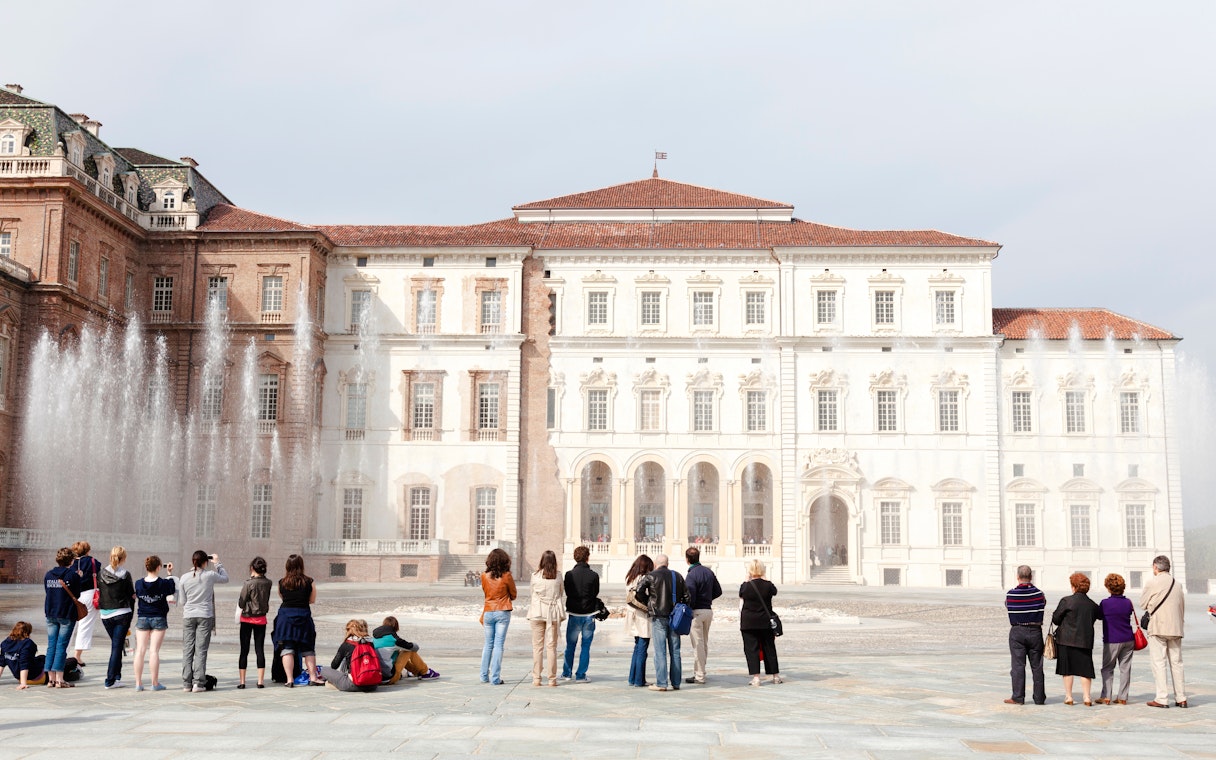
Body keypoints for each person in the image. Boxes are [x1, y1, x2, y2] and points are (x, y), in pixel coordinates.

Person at [635, 553, 688, 692]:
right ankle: (676, 682)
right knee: (675, 651)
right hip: (674, 618)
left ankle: (662, 683)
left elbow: (638, 591)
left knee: (660, 651)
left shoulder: (651, 576)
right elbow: (687, 596)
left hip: (658, 616)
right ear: (668, 563)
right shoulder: (677, 576)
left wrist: (648, 602)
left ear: (656, 563)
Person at [178, 550, 229, 692]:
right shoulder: (210, 575)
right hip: (205, 616)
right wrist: (218, 563)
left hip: (188, 616)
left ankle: (186, 684)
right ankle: (198, 683)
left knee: (188, 649)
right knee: (201, 650)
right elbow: (225, 578)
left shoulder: (184, 578)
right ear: (205, 561)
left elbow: (182, 601)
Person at [1140, 554, 1186, 708]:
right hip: (1176, 627)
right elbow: (1181, 606)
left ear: (1155, 567)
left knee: (1159, 663)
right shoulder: (1177, 584)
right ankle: (1181, 698)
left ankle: (1162, 698)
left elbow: (1142, 604)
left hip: (1158, 627)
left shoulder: (1152, 582)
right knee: (1177, 663)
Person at [272, 554, 324, 687]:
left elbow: (283, 598)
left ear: (287, 566)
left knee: (287, 649)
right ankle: (313, 677)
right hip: (304, 616)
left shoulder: (281, 582)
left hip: (285, 618)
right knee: (308, 649)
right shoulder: (309, 582)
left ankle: (289, 680)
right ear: (301, 565)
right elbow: (312, 600)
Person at [1051, 572, 1102, 706]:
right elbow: (1100, 615)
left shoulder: (1066, 601)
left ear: (1073, 586)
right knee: (1085, 670)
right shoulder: (1092, 604)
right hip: (1085, 641)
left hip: (1066, 640)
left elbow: (1056, 619)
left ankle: (1068, 696)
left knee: (1067, 670)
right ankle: (1087, 697)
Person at [1004, 564, 1047, 705]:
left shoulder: (1011, 594)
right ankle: (1039, 698)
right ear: (1031, 577)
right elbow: (1044, 603)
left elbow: (1007, 605)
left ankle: (1018, 697)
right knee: (1037, 667)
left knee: (1017, 666)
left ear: (1017, 577)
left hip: (1017, 631)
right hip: (1035, 632)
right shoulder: (1039, 594)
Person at [132, 555, 176, 691]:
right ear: (158, 567)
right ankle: (154, 683)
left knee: (139, 651)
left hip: (143, 618)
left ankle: (138, 683)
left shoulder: (138, 583)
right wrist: (169, 573)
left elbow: (138, 594)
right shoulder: (163, 583)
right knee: (154, 651)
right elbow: (172, 589)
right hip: (159, 618)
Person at [97, 545, 136, 689]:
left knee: (117, 646)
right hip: (122, 614)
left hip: (105, 615)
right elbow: (131, 596)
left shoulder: (101, 573)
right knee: (116, 647)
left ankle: (117, 678)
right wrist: (131, 615)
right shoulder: (125, 575)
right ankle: (110, 680)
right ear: (123, 558)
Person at [739, 558, 781, 687]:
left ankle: (756, 677)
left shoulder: (745, 586)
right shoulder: (768, 585)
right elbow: (774, 591)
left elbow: (741, 594)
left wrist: (747, 579)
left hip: (749, 622)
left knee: (752, 649)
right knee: (769, 648)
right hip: (764, 621)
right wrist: (765, 578)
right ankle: (775, 676)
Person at [684, 546, 722, 685]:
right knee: (704, 643)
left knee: (698, 644)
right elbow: (718, 591)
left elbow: (690, 595)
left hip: (697, 612)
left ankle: (700, 675)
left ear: (687, 559)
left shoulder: (691, 574)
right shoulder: (709, 572)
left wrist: (691, 607)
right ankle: (700, 672)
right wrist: (708, 599)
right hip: (708, 611)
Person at [561, 545, 599, 683]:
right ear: (587, 557)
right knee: (585, 646)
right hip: (589, 613)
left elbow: (568, 592)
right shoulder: (594, 575)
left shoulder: (569, 575)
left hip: (574, 612)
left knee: (570, 645)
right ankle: (581, 675)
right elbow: (595, 593)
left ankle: (566, 673)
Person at [43, 546, 80, 688]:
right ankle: (60, 680)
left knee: (51, 645)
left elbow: (48, 591)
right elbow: (77, 595)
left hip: (51, 613)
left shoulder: (48, 574)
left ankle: (51, 679)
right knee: (61, 646)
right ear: (70, 560)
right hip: (66, 614)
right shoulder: (73, 575)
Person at [528, 549, 566, 687]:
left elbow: (532, 592)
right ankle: (552, 679)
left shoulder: (534, 576)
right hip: (553, 613)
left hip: (537, 612)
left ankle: (536, 678)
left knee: (537, 648)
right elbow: (561, 593)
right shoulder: (558, 576)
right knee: (551, 647)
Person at [1096, 573, 1136, 705]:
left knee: (1107, 668)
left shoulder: (1105, 603)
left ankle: (1106, 696)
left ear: (1108, 587)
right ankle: (1123, 697)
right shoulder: (1128, 602)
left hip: (1112, 639)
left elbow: (1100, 616)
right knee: (1125, 669)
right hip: (1128, 639)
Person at [479, 547, 516, 685]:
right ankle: (495, 678)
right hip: (502, 610)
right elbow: (514, 594)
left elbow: (485, 592)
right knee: (499, 645)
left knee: (488, 644)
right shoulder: (506, 576)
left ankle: (483, 676)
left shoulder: (484, 575)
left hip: (488, 611)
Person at [238, 556, 273, 689]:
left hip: (247, 618)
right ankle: (260, 681)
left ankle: (242, 682)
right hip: (261, 619)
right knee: (260, 650)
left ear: (252, 568)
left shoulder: (248, 583)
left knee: (244, 650)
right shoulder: (268, 583)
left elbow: (241, 602)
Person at [372, 616, 439, 683]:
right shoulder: (393, 639)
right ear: (395, 626)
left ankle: (417, 672)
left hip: (378, 677)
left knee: (397, 652)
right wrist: (409, 644)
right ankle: (426, 672)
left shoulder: (374, 638)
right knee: (408, 651)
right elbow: (414, 648)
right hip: (390, 678)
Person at [320, 619, 379, 692]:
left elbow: (334, 665)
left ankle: (333, 684)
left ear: (348, 630)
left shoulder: (347, 644)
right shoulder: (369, 643)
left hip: (354, 684)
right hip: (373, 685)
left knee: (324, 670)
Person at [69, 541, 102, 669]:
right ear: (87, 551)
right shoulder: (93, 562)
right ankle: (77, 656)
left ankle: (64, 653)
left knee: (70, 625)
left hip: (73, 596)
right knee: (85, 625)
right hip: (89, 594)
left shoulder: (70, 562)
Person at [624, 554, 654, 687]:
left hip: (632, 614)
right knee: (642, 647)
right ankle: (639, 680)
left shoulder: (630, 578)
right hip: (642, 614)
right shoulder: (644, 578)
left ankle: (632, 678)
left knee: (637, 647)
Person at [2, 622, 47, 688]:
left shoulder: (6, 643)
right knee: (66, 664)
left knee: (42, 657)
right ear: (27, 632)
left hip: (19, 677)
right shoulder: (27, 643)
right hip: (35, 677)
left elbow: (1, 663)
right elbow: (24, 664)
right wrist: (23, 683)